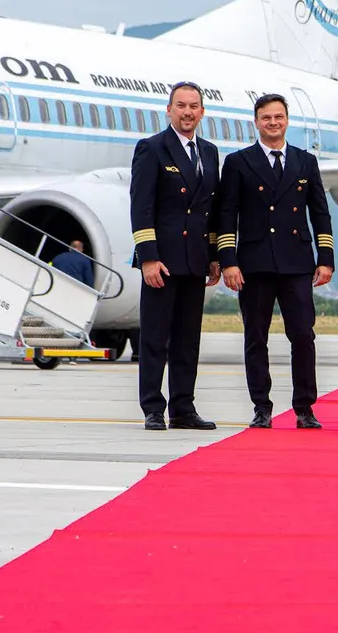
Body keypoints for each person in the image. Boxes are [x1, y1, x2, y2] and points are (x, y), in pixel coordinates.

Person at [217, 93, 335, 430]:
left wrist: (325, 258)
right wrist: (228, 261)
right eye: (266, 118)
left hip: (297, 262)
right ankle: (261, 407)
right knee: (256, 337)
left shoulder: (304, 162)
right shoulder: (238, 162)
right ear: (256, 122)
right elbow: (227, 216)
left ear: (287, 121)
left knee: (303, 336)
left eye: (278, 117)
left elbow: (320, 213)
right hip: (253, 264)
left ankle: (304, 407)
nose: (273, 123)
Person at [129, 81, 221, 432]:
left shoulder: (209, 153)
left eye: (194, 106)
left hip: (194, 260)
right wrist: (148, 257)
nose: (187, 112)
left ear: (202, 112)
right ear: (169, 110)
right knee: (154, 338)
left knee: (187, 339)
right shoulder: (152, 149)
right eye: (180, 105)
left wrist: (213, 256)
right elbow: (142, 206)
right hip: (163, 261)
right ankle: (153, 407)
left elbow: (210, 210)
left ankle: (183, 407)